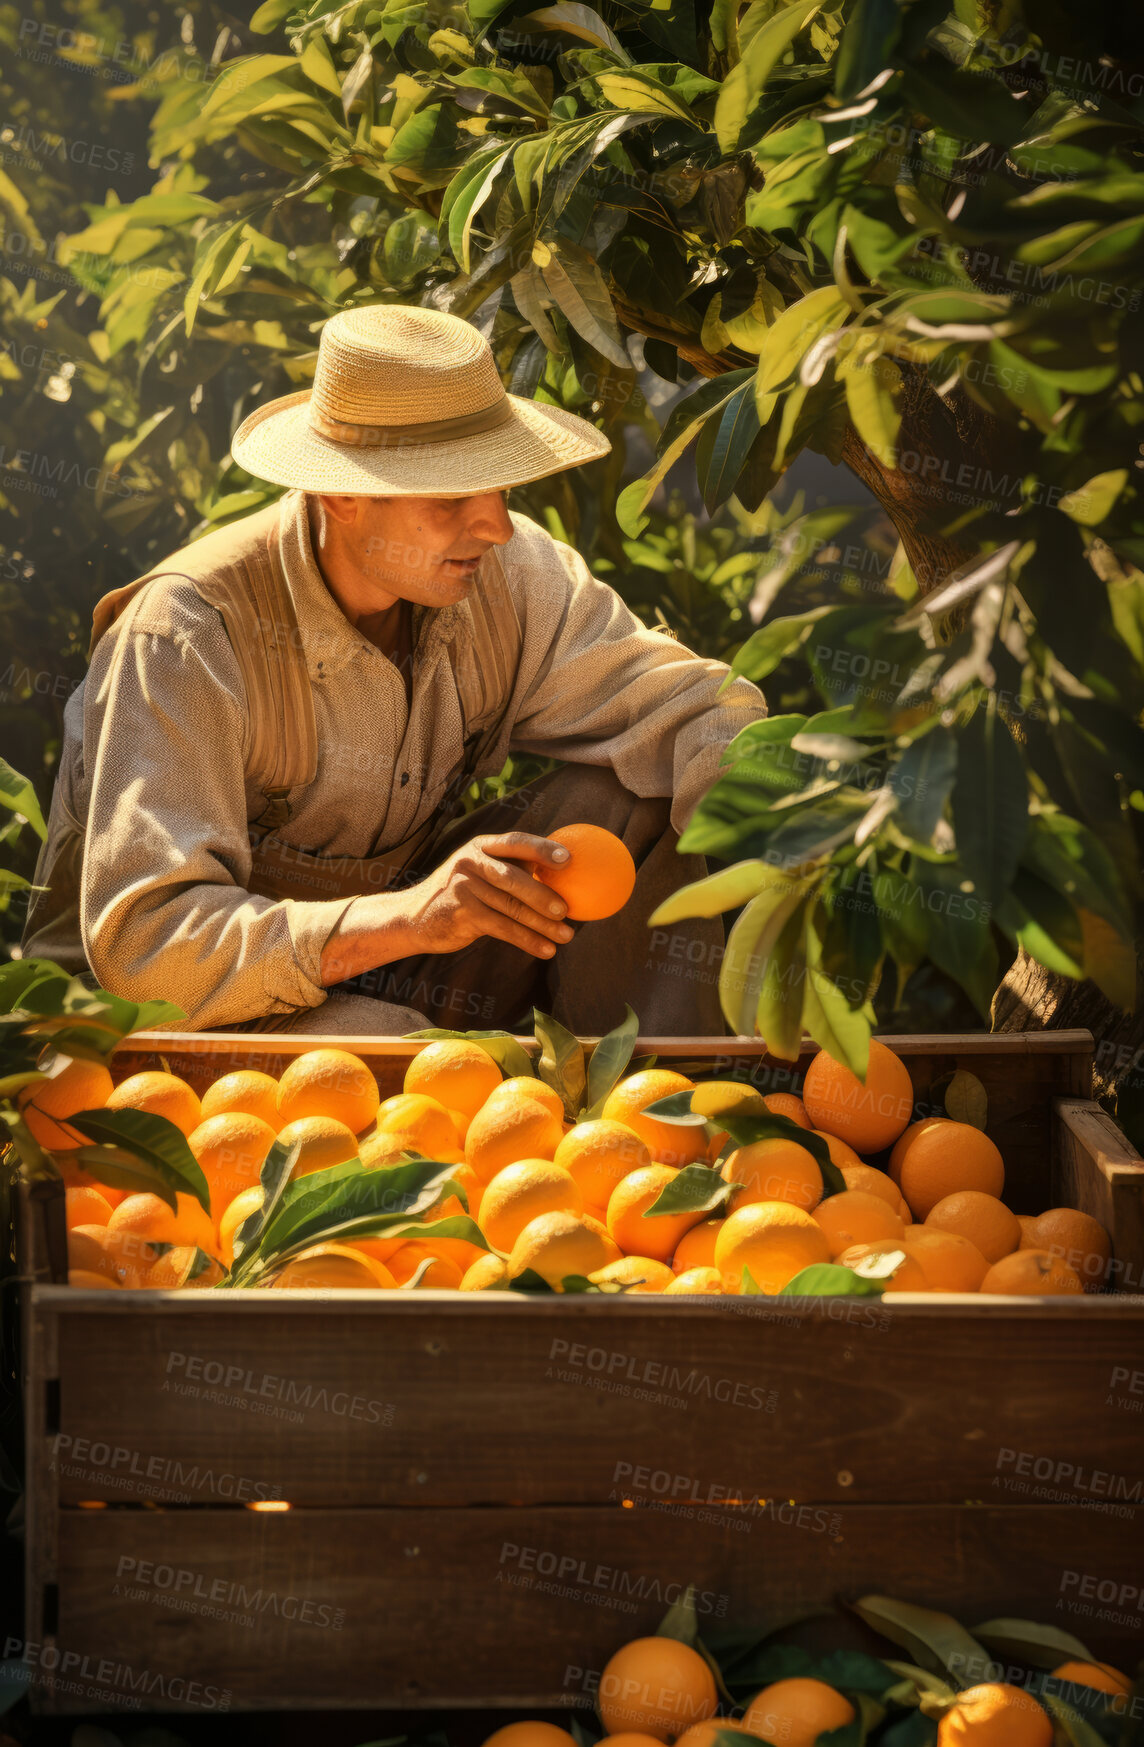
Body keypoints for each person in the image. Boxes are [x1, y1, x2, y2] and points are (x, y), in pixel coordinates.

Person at [21, 304, 766, 1036]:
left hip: (403, 961)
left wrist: (801, 842)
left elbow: (689, 707)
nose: (497, 526)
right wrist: (405, 919)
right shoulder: (188, 634)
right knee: (394, 1049)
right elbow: (150, 948)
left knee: (621, 795)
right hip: (174, 1014)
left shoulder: (505, 576)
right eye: (451, 497)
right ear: (342, 493)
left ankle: (658, 1100)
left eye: (500, 486)